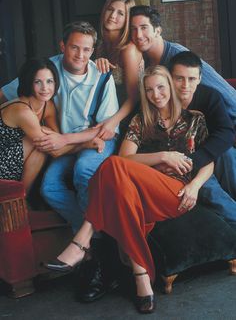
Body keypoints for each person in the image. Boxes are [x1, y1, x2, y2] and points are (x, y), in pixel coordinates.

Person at [44, 65, 214, 314]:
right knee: (120, 182)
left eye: (160, 87)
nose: (156, 94)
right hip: (141, 192)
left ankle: (82, 239)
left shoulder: (194, 119)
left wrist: (195, 186)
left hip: (177, 191)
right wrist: (163, 156)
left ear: (170, 87)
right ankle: (141, 275)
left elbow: (209, 161)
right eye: (149, 90)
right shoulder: (140, 121)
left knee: (111, 166)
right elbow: (125, 160)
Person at [0, 21, 120, 300]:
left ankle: (94, 257)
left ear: (94, 50)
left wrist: (77, 141)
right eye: (74, 47)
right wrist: (67, 141)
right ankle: (96, 241)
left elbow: (103, 130)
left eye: (87, 49)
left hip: (94, 140)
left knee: (82, 172)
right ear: (62, 46)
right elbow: (51, 142)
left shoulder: (101, 77)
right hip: (60, 145)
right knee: (50, 186)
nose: (80, 55)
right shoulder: (46, 70)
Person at [128, 5, 236, 124]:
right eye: (133, 29)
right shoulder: (145, 61)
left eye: (144, 28)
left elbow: (226, 94)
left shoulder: (178, 55)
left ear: (158, 30)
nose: (138, 35)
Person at [168, 51, 236, 221]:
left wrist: (198, 159)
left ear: (199, 78)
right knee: (211, 190)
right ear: (169, 77)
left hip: (206, 153)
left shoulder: (210, 96)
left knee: (226, 154)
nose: (185, 85)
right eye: (179, 78)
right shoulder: (161, 99)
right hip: (179, 158)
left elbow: (226, 132)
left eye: (191, 79)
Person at [0, 58, 59, 193]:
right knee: (42, 140)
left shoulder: (47, 106)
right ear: (29, 83)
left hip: (16, 162)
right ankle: (17, 199)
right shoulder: (22, 111)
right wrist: (85, 142)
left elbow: (58, 140)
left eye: (49, 81)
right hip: (2, 163)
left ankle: (21, 198)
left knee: (43, 145)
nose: (45, 88)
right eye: (38, 82)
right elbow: (55, 150)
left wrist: (51, 134)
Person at [95, 0, 144, 139]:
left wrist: (112, 122)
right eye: (110, 9)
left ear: (127, 20)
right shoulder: (101, 46)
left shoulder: (128, 50)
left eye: (120, 13)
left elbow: (134, 97)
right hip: (107, 112)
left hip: (129, 118)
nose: (112, 15)